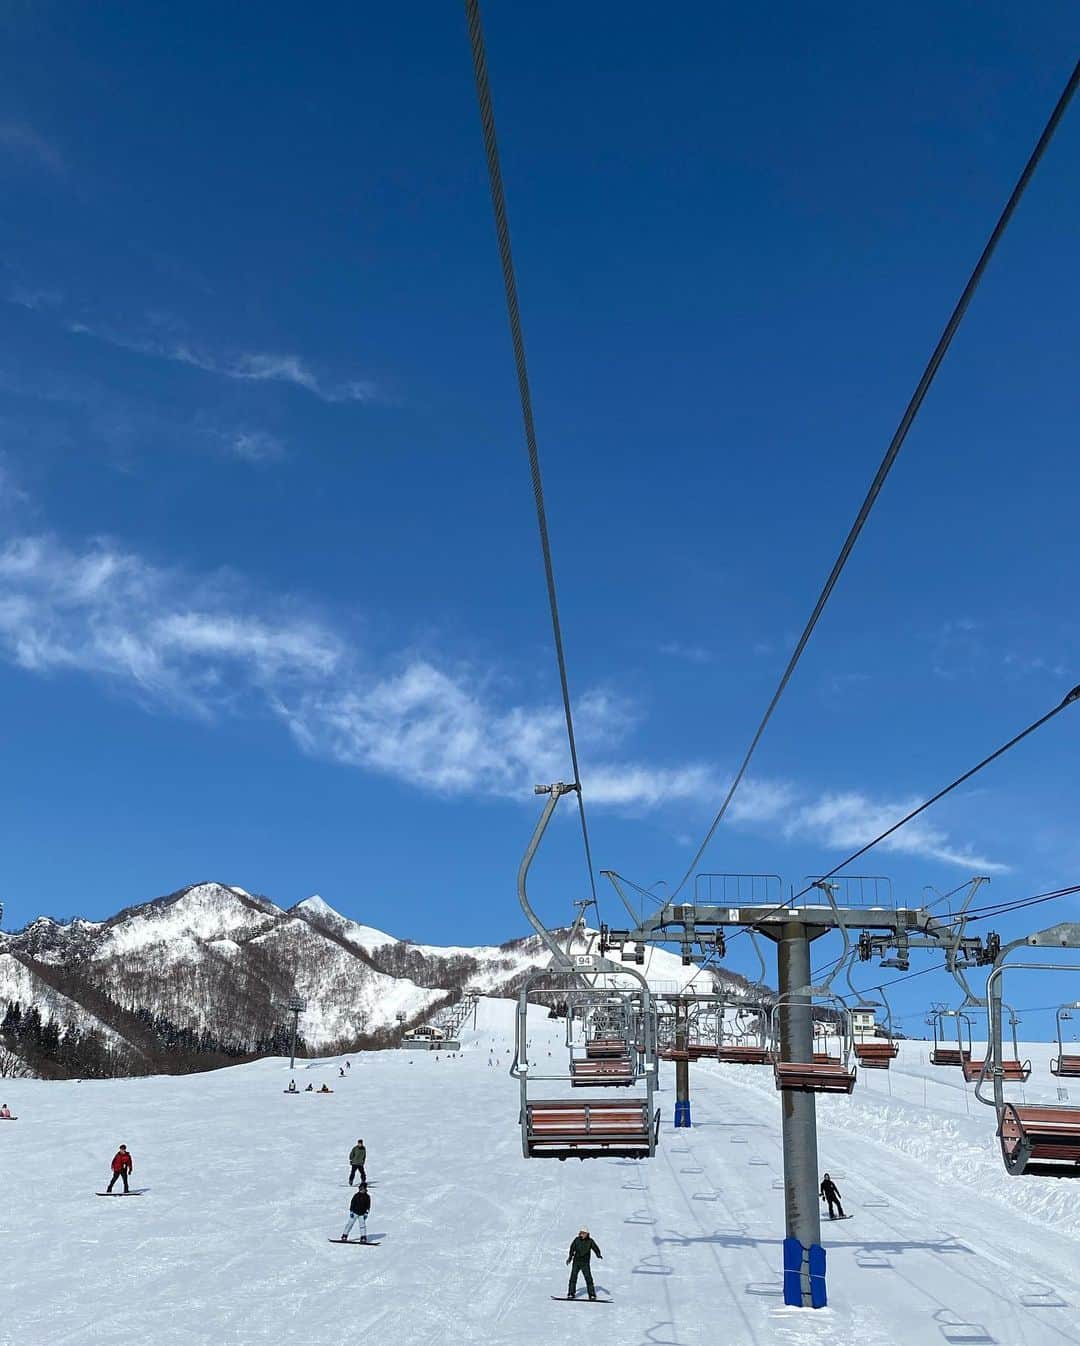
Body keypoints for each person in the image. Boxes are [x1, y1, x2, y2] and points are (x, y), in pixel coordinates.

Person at [566, 1228, 602, 1300]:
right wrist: (570, 1258)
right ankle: (571, 1293)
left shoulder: (590, 1241)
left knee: (588, 1278)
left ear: (587, 1234)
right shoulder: (576, 1240)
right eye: (581, 1232)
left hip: (585, 1263)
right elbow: (572, 1249)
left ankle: (592, 1295)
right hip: (576, 1262)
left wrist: (598, 1254)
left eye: (584, 1233)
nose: (582, 1234)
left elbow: (595, 1248)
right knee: (573, 1277)